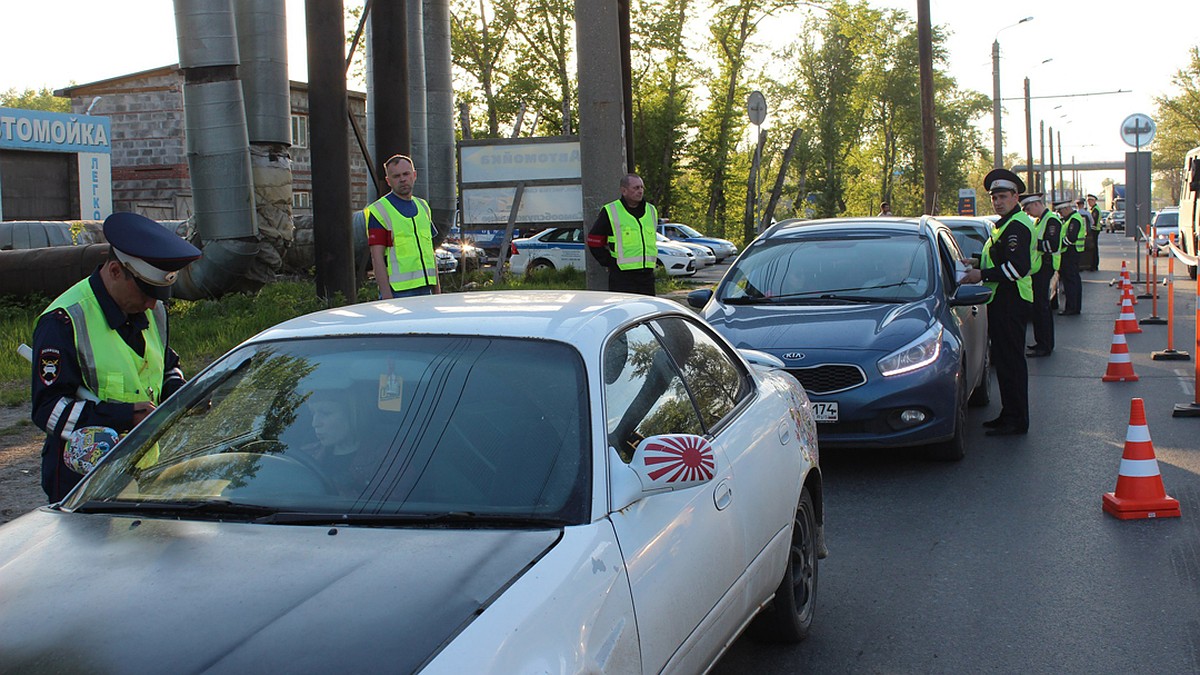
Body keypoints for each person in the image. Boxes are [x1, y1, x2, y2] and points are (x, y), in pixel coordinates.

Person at [30, 212, 201, 502]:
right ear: (114, 271)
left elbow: (164, 363)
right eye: (145, 291)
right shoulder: (64, 321)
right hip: (85, 483)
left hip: (143, 472)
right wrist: (123, 416)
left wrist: (178, 392)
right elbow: (49, 410)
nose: (151, 303)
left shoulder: (151, 308)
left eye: (158, 294)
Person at [961, 169, 1035, 436]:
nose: (998, 202)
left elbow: (1017, 268)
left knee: (1011, 363)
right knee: (1004, 362)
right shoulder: (1004, 225)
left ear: (1016, 197)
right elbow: (1000, 260)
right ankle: (1009, 414)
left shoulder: (1016, 227)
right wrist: (978, 262)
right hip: (1003, 299)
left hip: (1011, 300)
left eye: (1003, 196)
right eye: (994, 198)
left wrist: (982, 274)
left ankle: (1017, 419)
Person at [367, 154, 441, 299]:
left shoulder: (423, 207)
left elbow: (430, 252)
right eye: (396, 176)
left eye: (406, 174)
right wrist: (387, 295)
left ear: (414, 175)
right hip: (399, 292)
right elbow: (377, 257)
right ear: (388, 181)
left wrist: (437, 290)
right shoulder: (379, 211)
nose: (402, 179)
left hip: (427, 289)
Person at [587, 173, 659, 296]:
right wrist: (608, 262)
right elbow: (594, 240)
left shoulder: (651, 210)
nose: (640, 191)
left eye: (642, 187)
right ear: (624, 191)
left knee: (647, 312)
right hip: (622, 277)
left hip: (646, 276)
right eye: (636, 188)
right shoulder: (611, 211)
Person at [1021, 193, 1061, 358]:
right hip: (1038, 269)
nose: (1028, 213)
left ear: (1037, 204)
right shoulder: (1039, 221)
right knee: (1038, 308)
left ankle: (1045, 345)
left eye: (1029, 209)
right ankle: (1041, 342)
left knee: (1042, 308)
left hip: (1045, 267)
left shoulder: (1052, 220)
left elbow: (1051, 245)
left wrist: (1030, 243)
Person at [1055, 198, 1085, 316]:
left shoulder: (1074, 219)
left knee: (1070, 282)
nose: (1060, 214)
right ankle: (1074, 307)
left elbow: (1070, 238)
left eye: (1061, 211)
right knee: (1073, 281)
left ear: (1067, 208)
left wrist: (1058, 245)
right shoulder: (1070, 219)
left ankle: (1071, 308)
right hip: (1071, 252)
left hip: (1070, 253)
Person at [1084, 194, 1102, 271]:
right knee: (1093, 248)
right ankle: (1092, 264)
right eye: (1088, 201)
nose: (1088, 203)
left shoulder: (1095, 210)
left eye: (1090, 201)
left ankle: (1094, 265)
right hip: (1094, 230)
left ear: (1093, 201)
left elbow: (1093, 222)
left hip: (1094, 230)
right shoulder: (1092, 209)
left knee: (1094, 249)